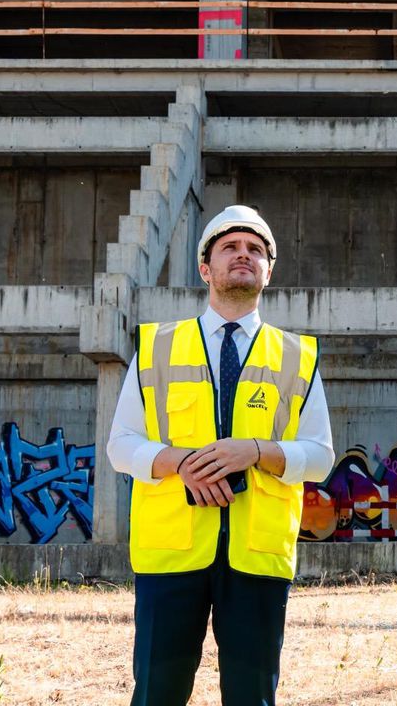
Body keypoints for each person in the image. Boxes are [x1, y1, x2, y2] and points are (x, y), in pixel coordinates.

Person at [107, 204, 334, 706]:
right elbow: (121, 445)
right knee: (158, 695)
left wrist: (254, 451)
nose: (243, 255)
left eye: (255, 250)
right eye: (230, 247)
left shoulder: (297, 356)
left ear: (269, 272)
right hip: (171, 552)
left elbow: (320, 456)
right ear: (205, 268)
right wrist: (181, 463)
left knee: (252, 697)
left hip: (257, 554)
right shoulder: (156, 347)